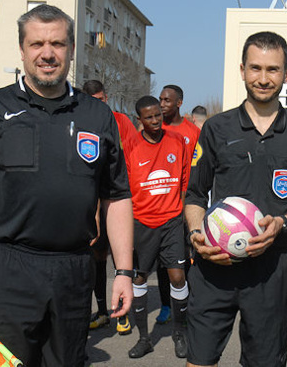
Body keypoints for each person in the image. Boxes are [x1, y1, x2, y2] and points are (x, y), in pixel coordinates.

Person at [0, 5, 134, 366]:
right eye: (37, 43)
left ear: (72, 49)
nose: (47, 53)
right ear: (22, 50)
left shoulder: (98, 115)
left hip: (73, 270)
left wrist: (123, 271)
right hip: (3, 268)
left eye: (57, 43)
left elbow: (116, 197)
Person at [185, 31, 287, 367]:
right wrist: (196, 235)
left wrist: (283, 222)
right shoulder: (216, 128)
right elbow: (194, 194)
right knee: (199, 360)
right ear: (242, 70)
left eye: (273, 69)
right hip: (214, 265)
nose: (263, 79)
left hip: (272, 268)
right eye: (255, 68)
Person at [125, 95, 189, 359]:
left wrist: (182, 219)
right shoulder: (129, 146)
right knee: (139, 279)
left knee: (177, 277)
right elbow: (123, 192)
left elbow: (184, 182)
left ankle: (180, 333)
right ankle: (144, 339)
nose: (154, 121)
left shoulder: (177, 141)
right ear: (139, 120)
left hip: (173, 221)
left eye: (158, 115)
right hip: (141, 223)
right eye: (148, 117)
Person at [82, 79, 140, 334]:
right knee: (97, 255)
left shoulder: (121, 121)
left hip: (118, 198)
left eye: (102, 99)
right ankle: (103, 310)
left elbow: (135, 156)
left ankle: (122, 312)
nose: (100, 104)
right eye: (94, 100)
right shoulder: (80, 119)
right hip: (91, 199)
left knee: (121, 254)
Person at [155, 84, 200, 324]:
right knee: (163, 261)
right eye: (160, 99)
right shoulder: (154, 128)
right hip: (159, 206)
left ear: (179, 103)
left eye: (166, 100)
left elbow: (198, 170)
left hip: (185, 205)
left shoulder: (192, 132)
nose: (162, 104)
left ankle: (189, 305)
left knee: (186, 257)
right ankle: (165, 304)